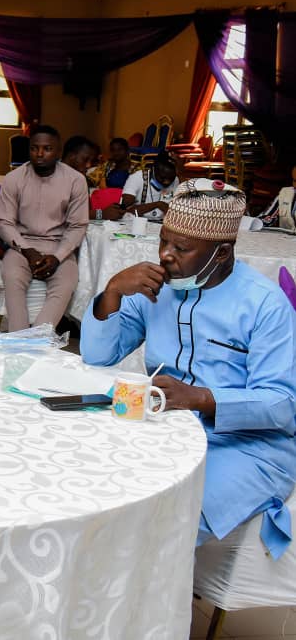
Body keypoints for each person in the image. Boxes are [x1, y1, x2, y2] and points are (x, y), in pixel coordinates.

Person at [80, 180, 296, 558]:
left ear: (222, 253)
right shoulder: (158, 288)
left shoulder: (264, 305)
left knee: (163, 520)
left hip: (247, 447)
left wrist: (200, 398)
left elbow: (281, 404)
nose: (165, 255)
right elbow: (98, 355)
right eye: (163, 242)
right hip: (166, 428)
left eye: (181, 248)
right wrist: (112, 291)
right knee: (95, 488)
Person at [0, 125, 89, 330]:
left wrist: (57, 257)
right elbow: (4, 222)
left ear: (59, 152)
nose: (39, 154)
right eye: (34, 148)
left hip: (59, 247)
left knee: (66, 283)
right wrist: (27, 251)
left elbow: (77, 226)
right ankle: (17, 337)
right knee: (12, 277)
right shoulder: (13, 179)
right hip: (21, 246)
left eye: (47, 148)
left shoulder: (76, 180)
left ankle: (39, 337)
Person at [121, 155, 179, 221]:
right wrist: (157, 204)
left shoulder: (175, 180)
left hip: (161, 222)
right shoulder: (137, 177)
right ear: (153, 171)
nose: (167, 182)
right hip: (137, 221)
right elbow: (126, 210)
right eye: (162, 178)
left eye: (171, 179)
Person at [259, 163, 296, 231]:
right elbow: (268, 217)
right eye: (295, 181)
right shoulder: (285, 193)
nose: (295, 186)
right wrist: (254, 222)